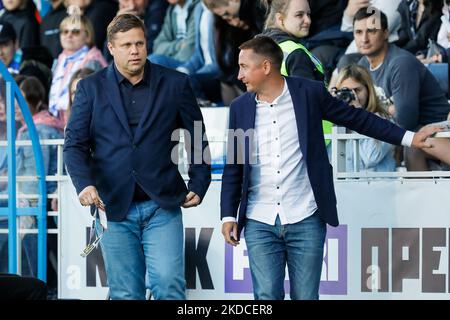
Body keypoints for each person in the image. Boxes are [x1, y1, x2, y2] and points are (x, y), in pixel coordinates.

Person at [220, 36, 442, 300]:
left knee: (306, 297)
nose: (239, 75)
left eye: (244, 67)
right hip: (259, 219)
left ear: (266, 67)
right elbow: (234, 165)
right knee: (266, 296)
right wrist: (228, 215)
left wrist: (409, 138)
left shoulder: (309, 93)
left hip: (306, 215)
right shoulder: (238, 109)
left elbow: (358, 119)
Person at [63, 13, 211, 300]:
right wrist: (84, 184)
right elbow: (74, 145)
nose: (135, 51)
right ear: (111, 48)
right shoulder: (90, 88)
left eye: (140, 44)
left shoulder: (175, 83)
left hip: (163, 204)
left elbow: (196, 136)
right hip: (114, 205)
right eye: (128, 45)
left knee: (169, 286)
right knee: (125, 293)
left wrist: (199, 181)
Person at [354, 8, 450, 170]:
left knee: (411, 147)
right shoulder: (362, 66)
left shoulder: (400, 63)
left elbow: (406, 119)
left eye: (371, 31)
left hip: (438, 130)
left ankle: (419, 196)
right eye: (358, 32)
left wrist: (387, 113)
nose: (364, 38)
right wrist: (390, 110)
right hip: (412, 134)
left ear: (385, 33)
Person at [333, 64, 396, 172]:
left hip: (378, 186)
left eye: (357, 90)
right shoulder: (335, 122)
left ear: (368, 91)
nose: (353, 96)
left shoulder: (383, 119)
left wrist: (359, 117)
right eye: (346, 91)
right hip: (345, 187)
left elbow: (371, 158)